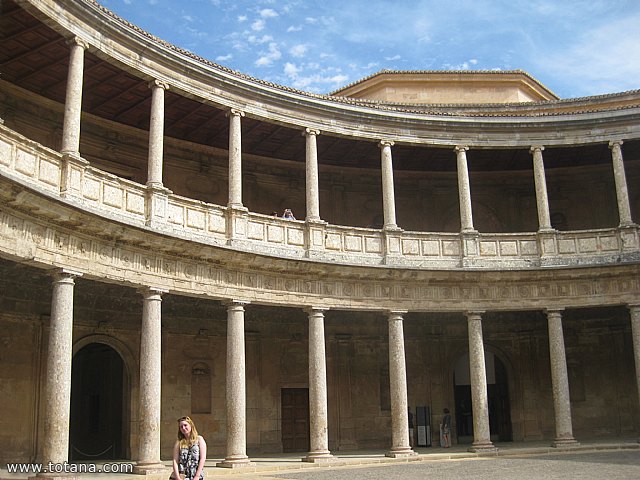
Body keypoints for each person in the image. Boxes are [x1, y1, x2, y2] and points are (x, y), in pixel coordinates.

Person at [172, 416, 207, 480]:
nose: (183, 428)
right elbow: (175, 460)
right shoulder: (179, 442)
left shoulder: (199, 439)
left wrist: (197, 476)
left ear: (191, 425)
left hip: (195, 473)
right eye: (181, 427)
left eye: (185, 425)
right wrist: (177, 477)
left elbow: (202, 458)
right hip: (182, 474)